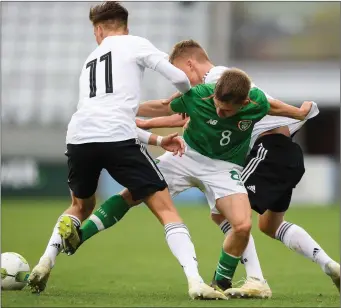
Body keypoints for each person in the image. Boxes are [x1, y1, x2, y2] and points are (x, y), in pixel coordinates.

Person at [27, 3, 226, 300]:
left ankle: (45, 261)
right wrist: (190, 100)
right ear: (125, 26)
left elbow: (109, 116)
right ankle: (195, 281)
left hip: (80, 135)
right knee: (166, 208)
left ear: (98, 29)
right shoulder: (135, 44)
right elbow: (182, 79)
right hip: (118, 137)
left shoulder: (90, 60)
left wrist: (158, 141)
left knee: (80, 207)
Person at [61, 67, 312, 296]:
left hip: (224, 168)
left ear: (245, 102)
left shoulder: (256, 101)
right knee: (132, 193)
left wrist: (299, 112)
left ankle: (220, 284)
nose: (218, 112)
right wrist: (125, 109)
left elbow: (277, 107)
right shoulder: (198, 95)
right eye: (216, 105)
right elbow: (164, 107)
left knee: (243, 225)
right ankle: (80, 236)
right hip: (184, 156)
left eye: (226, 111)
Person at [136, 39, 340, 297]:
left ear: (190, 63)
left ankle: (253, 280)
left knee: (225, 215)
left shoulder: (221, 77)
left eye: (179, 72)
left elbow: (264, 101)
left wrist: (299, 112)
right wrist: (144, 121)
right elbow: (182, 114)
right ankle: (329, 264)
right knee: (270, 225)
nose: (179, 80)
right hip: (285, 153)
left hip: (269, 149)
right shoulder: (212, 94)